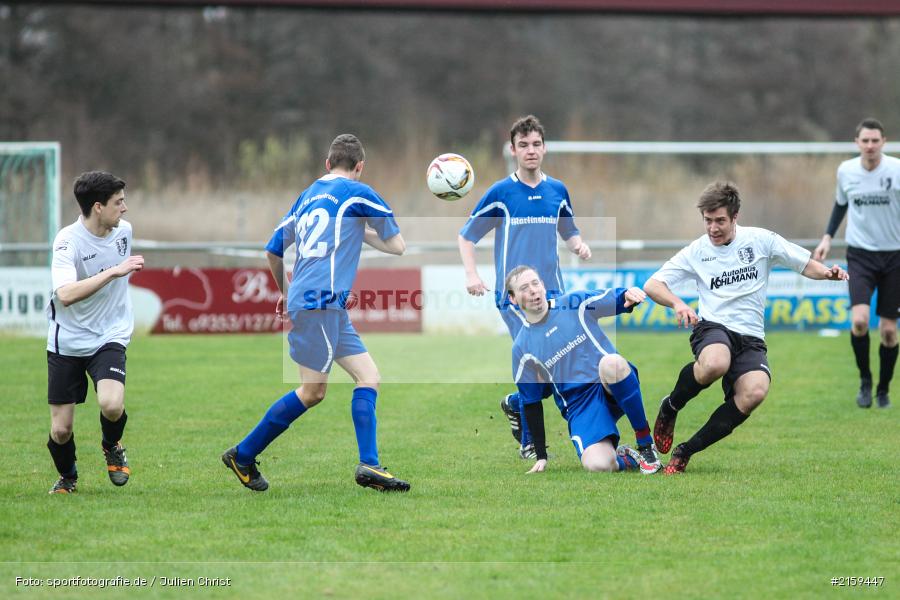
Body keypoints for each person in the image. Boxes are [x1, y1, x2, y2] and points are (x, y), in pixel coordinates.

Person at [222, 134, 410, 493]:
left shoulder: (307, 197)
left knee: (368, 376)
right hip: (321, 302)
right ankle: (242, 454)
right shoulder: (360, 192)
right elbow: (398, 246)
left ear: (326, 164)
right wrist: (363, 229)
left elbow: (272, 251)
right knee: (312, 392)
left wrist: (287, 292)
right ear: (360, 167)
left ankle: (369, 465)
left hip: (321, 304)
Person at [644, 181, 848, 474]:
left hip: (751, 337)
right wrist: (678, 304)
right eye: (708, 220)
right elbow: (653, 284)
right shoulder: (697, 251)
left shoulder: (761, 240)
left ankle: (685, 451)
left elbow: (804, 263)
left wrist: (828, 273)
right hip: (713, 327)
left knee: (755, 392)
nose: (713, 228)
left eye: (720, 221)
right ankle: (671, 405)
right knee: (715, 363)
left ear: (735, 217)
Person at [458, 115, 592, 459]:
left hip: (554, 296)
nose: (530, 151)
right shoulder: (501, 193)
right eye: (523, 145)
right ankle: (531, 441)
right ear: (513, 150)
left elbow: (568, 229)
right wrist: (472, 275)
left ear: (544, 148)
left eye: (536, 144)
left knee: (552, 370)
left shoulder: (557, 190)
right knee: (541, 364)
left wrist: (578, 244)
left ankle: (517, 405)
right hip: (514, 299)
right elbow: (466, 236)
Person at [505, 265, 660, 474]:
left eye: (535, 283)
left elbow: (614, 299)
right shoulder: (522, 347)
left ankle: (646, 445)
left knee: (612, 363)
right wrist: (541, 455)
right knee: (598, 465)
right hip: (579, 406)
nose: (533, 290)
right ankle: (628, 458)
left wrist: (627, 295)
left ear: (543, 285)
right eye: (524, 288)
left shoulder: (573, 304)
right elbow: (531, 402)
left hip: (609, 384)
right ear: (513, 299)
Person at [45, 171, 144, 494]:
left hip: (109, 334)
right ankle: (68, 477)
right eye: (119, 202)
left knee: (112, 405)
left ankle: (111, 444)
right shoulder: (67, 241)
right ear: (98, 207)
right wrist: (115, 271)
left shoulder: (123, 231)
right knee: (61, 430)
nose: (125, 208)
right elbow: (66, 294)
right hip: (68, 340)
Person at [813, 118, 899, 409]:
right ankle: (865, 380)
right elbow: (840, 204)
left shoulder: (896, 170)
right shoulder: (846, 171)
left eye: (875, 140)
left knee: (888, 331)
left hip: (895, 256)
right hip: (860, 255)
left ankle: (883, 389)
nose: (870, 145)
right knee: (860, 322)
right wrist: (826, 237)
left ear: (883, 142)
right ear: (857, 143)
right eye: (865, 141)